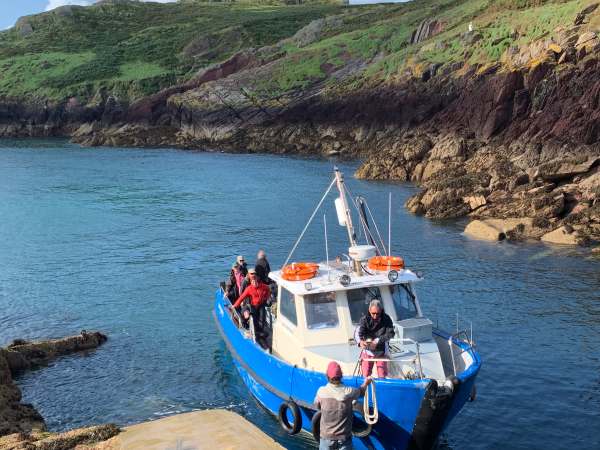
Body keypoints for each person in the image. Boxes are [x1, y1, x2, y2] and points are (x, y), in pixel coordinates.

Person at [314, 361, 373, 450]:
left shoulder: (321, 392)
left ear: (327, 376)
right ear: (341, 376)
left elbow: (317, 406)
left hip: (326, 438)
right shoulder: (349, 392)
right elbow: (361, 392)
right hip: (344, 439)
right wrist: (366, 382)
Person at [231, 269, 271, 348]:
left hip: (261, 305)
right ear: (251, 282)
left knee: (262, 319)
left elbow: (268, 291)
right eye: (253, 282)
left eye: (256, 282)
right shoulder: (249, 288)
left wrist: (266, 298)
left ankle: (261, 333)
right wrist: (235, 305)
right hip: (253, 306)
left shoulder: (263, 286)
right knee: (254, 318)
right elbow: (241, 297)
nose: (254, 283)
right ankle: (254, 332)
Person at [358, 299, 395, 378]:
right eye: (373, 313)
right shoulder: (364, 320)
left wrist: (377, 341)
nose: (375, 316)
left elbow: (391, 333)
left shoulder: (386, 319)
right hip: (367, 351)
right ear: (369, 310)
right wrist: (360, 342)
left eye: (377, 314)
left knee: (382, 375)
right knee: (365, 375)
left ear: (381, 311)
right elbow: (359, 333)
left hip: (381, 351)